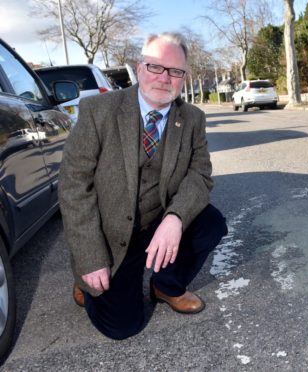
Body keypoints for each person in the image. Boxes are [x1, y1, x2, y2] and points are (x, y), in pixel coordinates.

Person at [59, 32, 228, 340]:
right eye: (155, 67)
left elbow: (200, 174)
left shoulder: (192, 118)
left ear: (183, 77)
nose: (165, 78)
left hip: (159, 222)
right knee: (123, 327)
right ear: (139, 68)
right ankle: (86, 282)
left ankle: (165, 286)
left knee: (211, 223)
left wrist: (175, 218)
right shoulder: (99, 111)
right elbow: (73, 186)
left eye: (175, 71)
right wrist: (90, 259)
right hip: (112, 234)